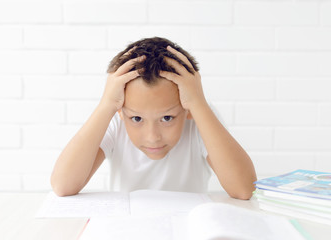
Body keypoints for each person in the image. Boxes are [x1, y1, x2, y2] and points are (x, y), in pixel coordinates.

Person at [50, 37, 257, 199]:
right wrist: (106, 106)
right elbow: (63, 186)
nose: (152, 137)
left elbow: (244, 189)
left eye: (167, 118)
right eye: (137, 119)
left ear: (188, 109)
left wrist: (199, 105)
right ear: (120, 111)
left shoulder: (198, 115)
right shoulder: (115, 116)